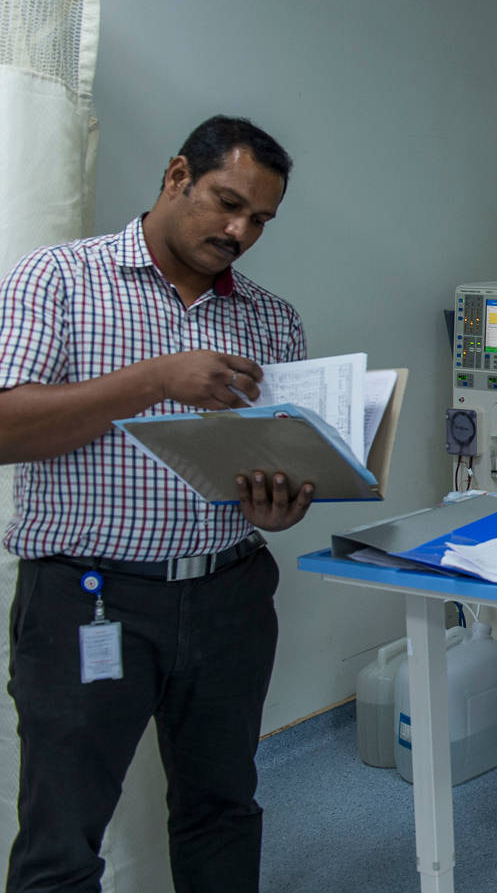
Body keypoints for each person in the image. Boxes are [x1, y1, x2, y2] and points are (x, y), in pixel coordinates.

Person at [0, 116, 315, 893]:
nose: (239, 230)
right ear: (177, 176)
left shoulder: (272, 318)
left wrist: (280, 507)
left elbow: (281, 463)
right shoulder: (57, 279)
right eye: (226, 202)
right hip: (87, 597)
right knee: (62, 838)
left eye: (260, 220)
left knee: (223, 809)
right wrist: (154, 381)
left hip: (230, 594)